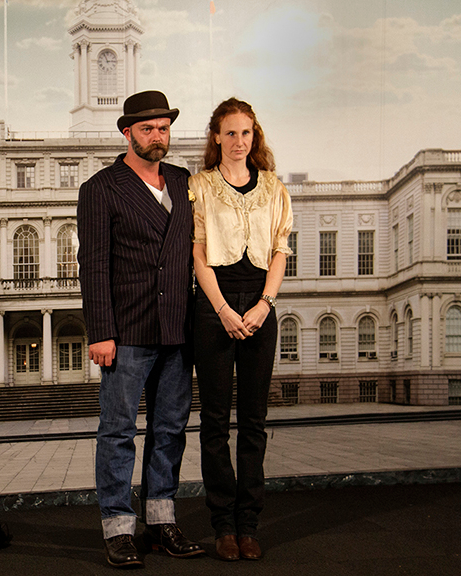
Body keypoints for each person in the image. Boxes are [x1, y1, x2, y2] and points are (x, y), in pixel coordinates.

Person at [77, 90, 203, 569]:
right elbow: (94, 265)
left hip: (177, 330)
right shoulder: (101, 187)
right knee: (118, 432)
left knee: (170, 429)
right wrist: (99, 331)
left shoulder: (183, 181)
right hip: (126, 332)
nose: (158, 136)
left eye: (164, 127)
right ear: (127, 132)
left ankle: (162, 520)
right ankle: (118, 527)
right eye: (148, 128)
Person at [189, 97, 293, 561]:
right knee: (214, 423)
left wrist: (264, 305)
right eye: (230, 133)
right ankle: (223, 526)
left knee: (253, 422)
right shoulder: (200, 186)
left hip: (260, 306)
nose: (238, 141)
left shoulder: (274, 188)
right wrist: (224, 311)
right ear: (216, 137)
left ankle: (248, 525)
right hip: (214, 305)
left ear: (256, 137)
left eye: (246, 133)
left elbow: (280, 251)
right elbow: (197, 253)